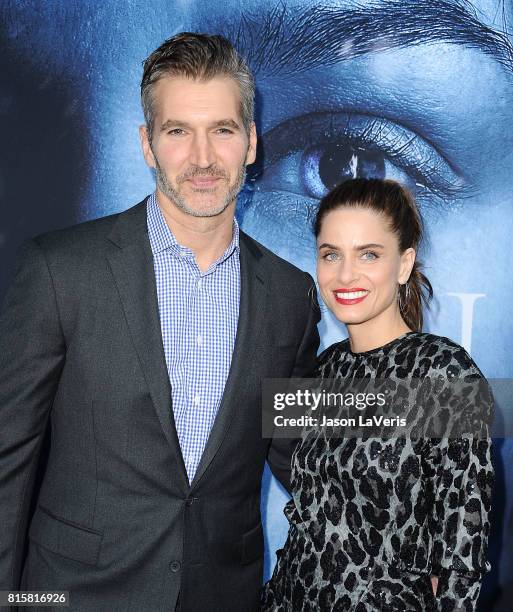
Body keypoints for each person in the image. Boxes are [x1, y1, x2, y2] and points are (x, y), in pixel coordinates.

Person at [0, 33, 320, 612]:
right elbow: (8, 460)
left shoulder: (291, 297)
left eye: (222, 130)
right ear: (148, 144)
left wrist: (443, 413)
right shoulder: (59, 271)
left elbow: (305, 460)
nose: (202, 158)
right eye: (178, 131)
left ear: (250, 142)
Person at [261, 178, 494, 611]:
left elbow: (462, 555)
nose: (345, 275)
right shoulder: (322, 370)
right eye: (331, 254)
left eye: (369, 254)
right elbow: (309, 516)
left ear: (404, 264)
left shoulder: (443, 373)